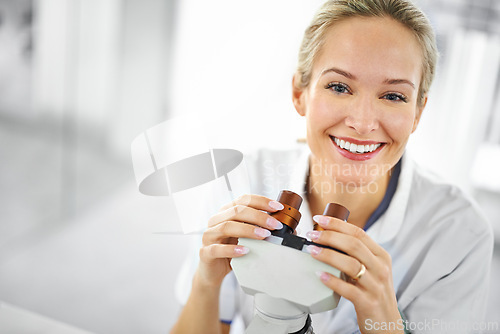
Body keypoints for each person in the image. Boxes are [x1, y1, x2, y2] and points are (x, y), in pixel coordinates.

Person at [171, 0, 494, 333]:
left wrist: (385, 323)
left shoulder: (460, 235)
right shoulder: (243, 182)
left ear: (418, 113)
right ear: (300, 93)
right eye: (339, 87)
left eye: (394, 96)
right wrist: (206, 284)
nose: (363, 122)